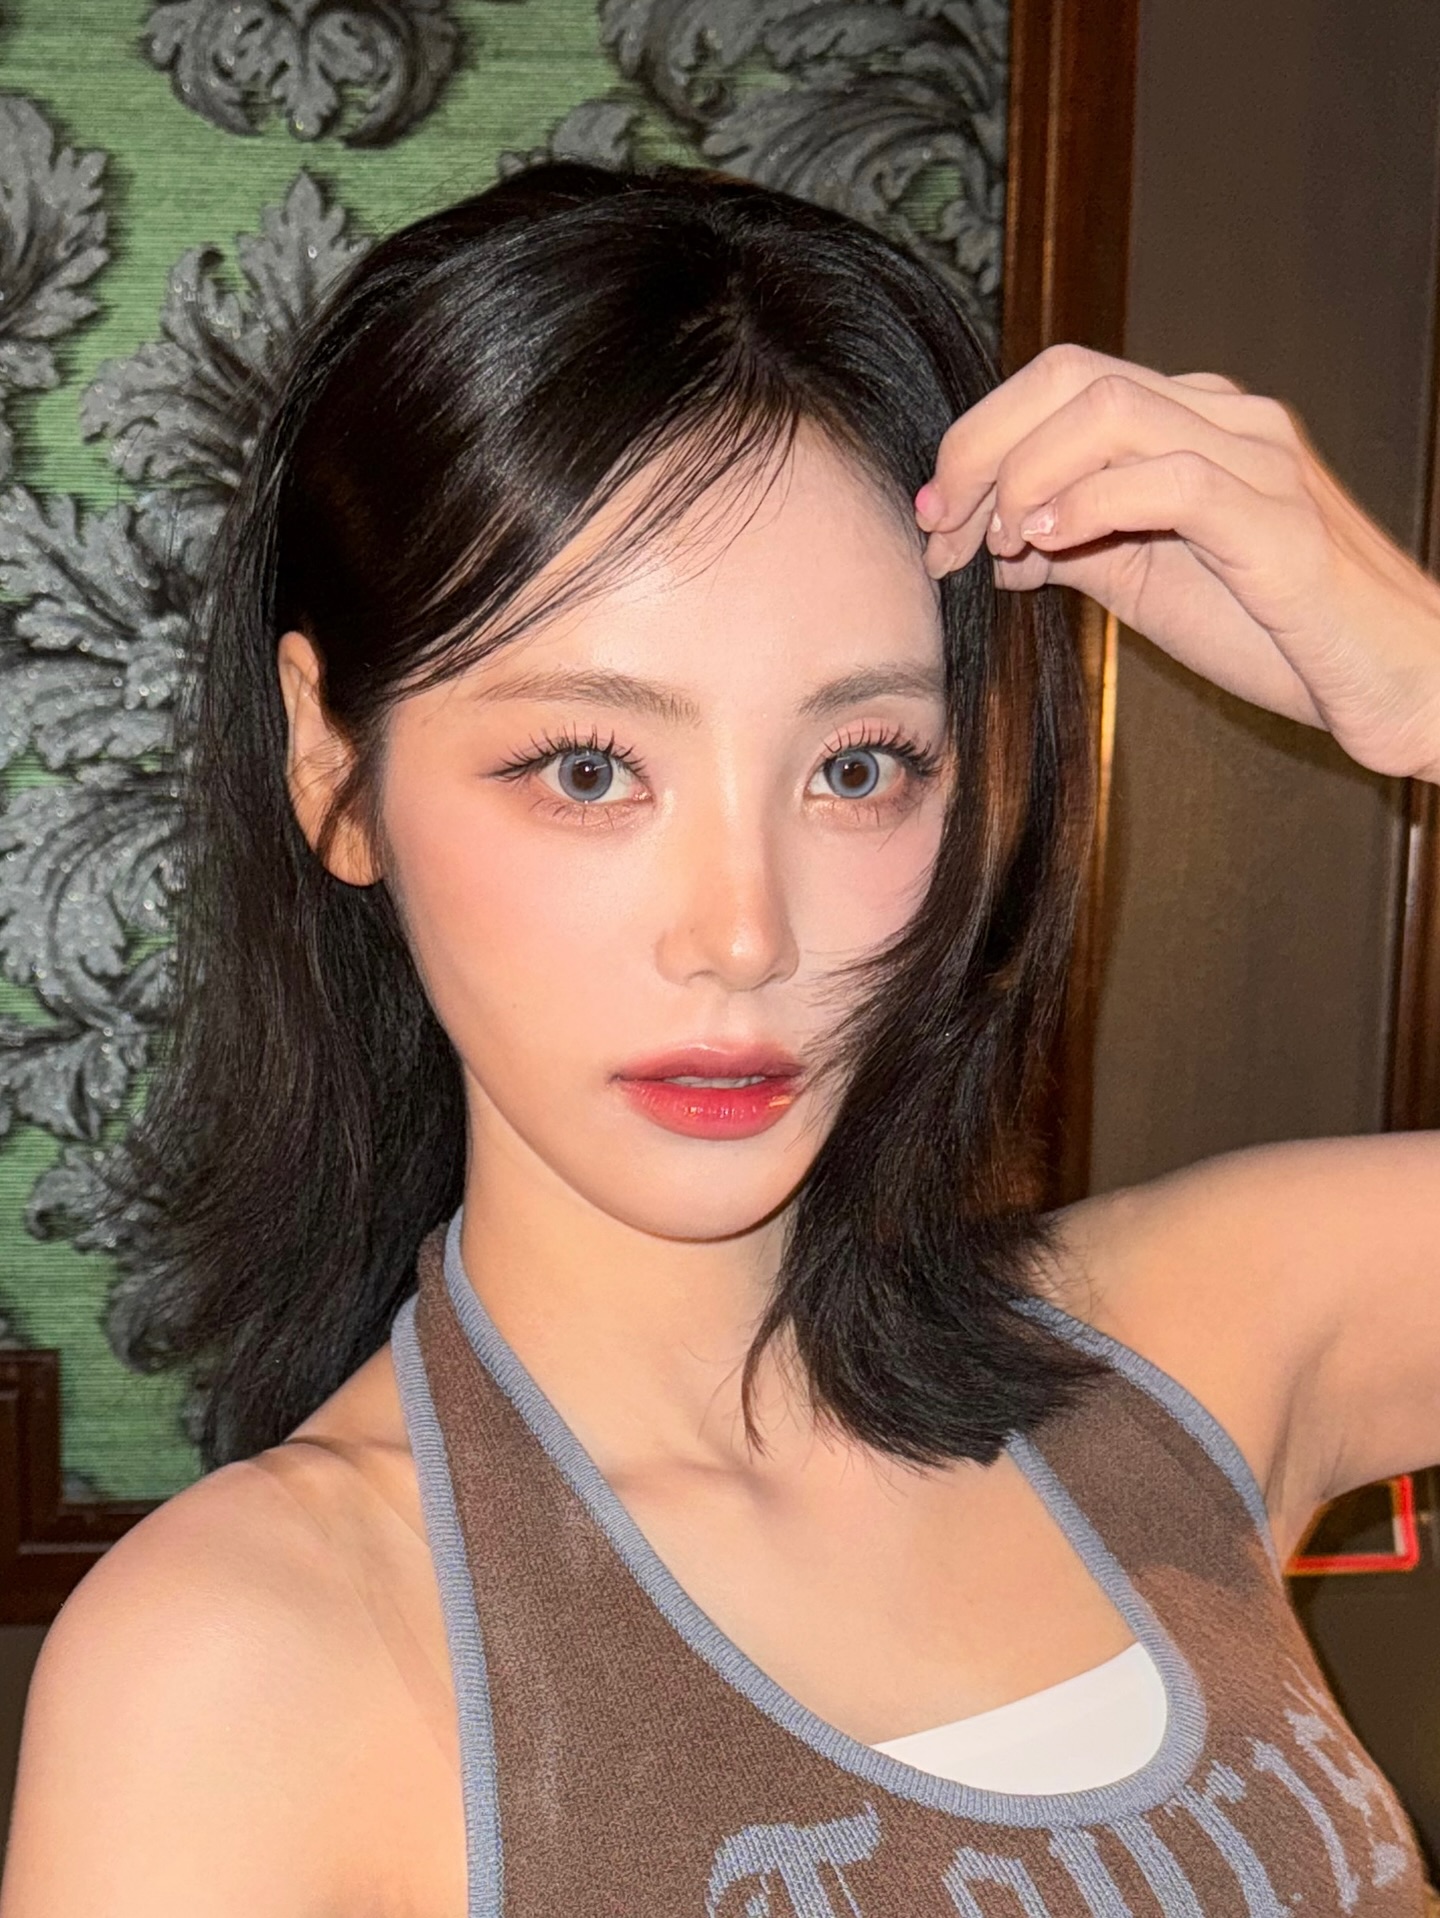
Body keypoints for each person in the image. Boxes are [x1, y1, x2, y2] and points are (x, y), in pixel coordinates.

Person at [2, 158, 1439, 1917]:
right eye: (588, 768)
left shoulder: (1189, 1350)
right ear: (333, 763)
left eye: (858, 766)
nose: (746, 933)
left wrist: (1417, 675)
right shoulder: (244, 1662)